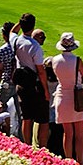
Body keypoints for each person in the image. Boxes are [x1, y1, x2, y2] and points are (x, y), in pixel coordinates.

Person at [51, 32, 83, 164]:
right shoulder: (77, 60)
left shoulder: (55, 60)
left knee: (67, 133)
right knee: (79, 135)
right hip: (76, 97)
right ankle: (79, 162)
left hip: (62, 97)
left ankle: (68, 161)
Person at [10, 14, 50, 148]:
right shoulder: (35, 46)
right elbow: (41, 71)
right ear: (33, 26)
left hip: (21, 82)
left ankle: (26, 146)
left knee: (26, 118)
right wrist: (46, 90)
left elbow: (12, 32)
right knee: (43, 119)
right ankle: (42, 147)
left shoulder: (16, 40)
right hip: (34, 84)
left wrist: (20, 23)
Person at [0, 21, 22, 139]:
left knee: (1, 108)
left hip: (6, 83)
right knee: (21, 113)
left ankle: (1, 135)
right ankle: (22, 138)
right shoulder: (21, 47)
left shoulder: (1, 50)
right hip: (19, 83)